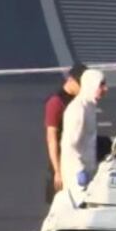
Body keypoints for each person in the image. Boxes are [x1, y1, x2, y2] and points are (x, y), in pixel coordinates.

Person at [44, 63, 87, 203]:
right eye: (81, 85)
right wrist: (57, 171)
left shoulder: (79, 100)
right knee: (59, 205)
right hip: (61, 161)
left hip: (76, 158)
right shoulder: (55, 102)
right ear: (71, 80)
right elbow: (52, 139)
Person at [60, 69, 108, 194]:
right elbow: (69, 145)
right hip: (76, 178)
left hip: (89, 172)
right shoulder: (78, 109)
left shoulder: (89, 106)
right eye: (101, 85)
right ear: (91, 85)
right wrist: (78, 170)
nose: (105, 89)